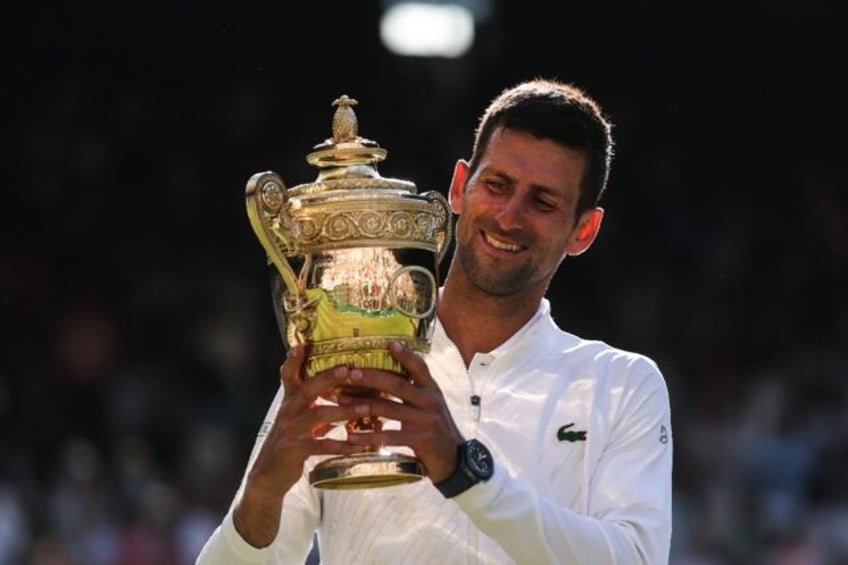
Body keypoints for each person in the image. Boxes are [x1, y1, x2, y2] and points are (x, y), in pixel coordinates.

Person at [197, 78, 673, 564]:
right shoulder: (348, 358)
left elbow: (636, 558)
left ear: (584, 230)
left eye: (543, 202)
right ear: (458, 187)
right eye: (497, 185)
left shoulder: (622, 385)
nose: (509, 217)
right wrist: (261, 490)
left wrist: (465, 472)